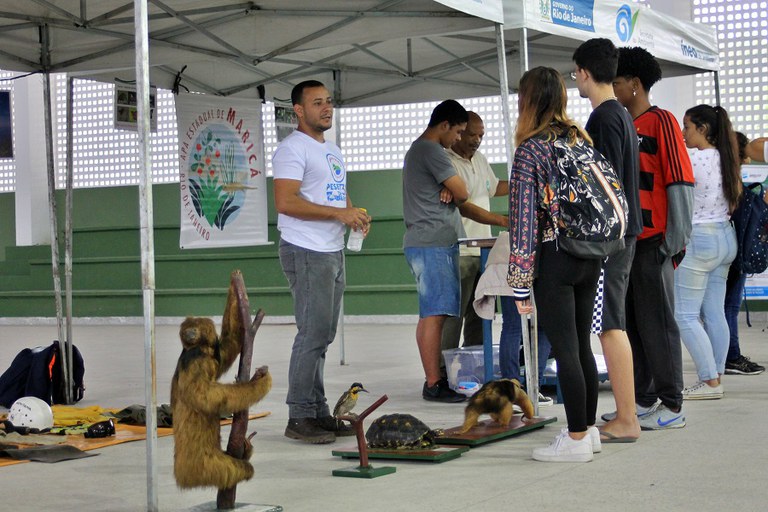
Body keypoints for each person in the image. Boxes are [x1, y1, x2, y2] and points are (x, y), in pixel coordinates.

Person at [508, 66, 603, 462]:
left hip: (556, 258)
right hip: (590, 254)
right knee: (581, 345)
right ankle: (589, 431)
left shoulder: (531, 149)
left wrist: (518, 281)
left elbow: (524, 221)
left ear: (527, 101)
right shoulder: (580, 139)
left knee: (564, 349)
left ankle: (576, 439)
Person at [273, 80, 371, 444]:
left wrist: (353, 214)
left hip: (332, 249)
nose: (326, 108)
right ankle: (298, 415)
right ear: (298, 110)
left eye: (329, 101)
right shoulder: (291, 149)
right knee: (311, 334)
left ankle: (317, 410)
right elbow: (286, 202)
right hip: (305, 248)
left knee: (323, 335)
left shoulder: (332, 150)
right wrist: (338, 214)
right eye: (317, 103)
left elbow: (336, 193)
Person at [612, 47, 694, 429]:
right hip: (628, 242)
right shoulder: (623, 124)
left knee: (659, 324)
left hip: (656, 240)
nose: (612, 87)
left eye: (616, 81)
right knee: (633, 324)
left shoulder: (662, 121)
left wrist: (674, 242)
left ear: (635, 83)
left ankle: (673, 405)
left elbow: (679, 179)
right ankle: (643, 400)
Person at [572, 38, 642, 442]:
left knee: (610, 325)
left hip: (611, 240)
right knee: (612, 323)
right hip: (625, 234)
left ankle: (628, 419)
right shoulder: (621, 115)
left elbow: (605, 187)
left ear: (583, 72)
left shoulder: (602, 119)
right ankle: (626, 413)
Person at [403, 99, 470, 403]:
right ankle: (434, 382)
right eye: (457, 132)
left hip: (427, 241)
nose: (458, 139)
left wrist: (450, 187)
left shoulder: (423, 152)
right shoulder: (430, 149)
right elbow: (464, 191)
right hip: (433, 242)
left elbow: (456, 189)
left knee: (431, 314)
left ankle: (433, 378)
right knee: (435, 315)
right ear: (444, 125)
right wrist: (453, 189)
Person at [674, 104, 741, 399]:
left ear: (702, 129)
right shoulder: (726, 157)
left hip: (700, 240)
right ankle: (717, 374)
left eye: (687, 126)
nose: (683, 132)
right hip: (725, 238)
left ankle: (709, 381)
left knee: (684, 315)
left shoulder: (693, 158)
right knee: (715, 312)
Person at [440, 111, 508, 354]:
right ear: (458, 133)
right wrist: (501, 220)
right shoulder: (445, 161)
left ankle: (475, 365)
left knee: (481, 311)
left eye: (481, 135)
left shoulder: (479, 159)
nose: (477, 140)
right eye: (471, 134)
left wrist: (523, 183)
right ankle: (445, 371)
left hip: (484, 251)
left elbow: (493, 187)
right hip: (459, 249)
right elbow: (463, 206)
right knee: (454, 314)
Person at [723, 132, 766, 375]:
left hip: (728, 251)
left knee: (724, 306)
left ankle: (728, 355)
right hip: (735, 253)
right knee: (729, 306)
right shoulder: (736, 185)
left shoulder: (727, 181)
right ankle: (732, 356)